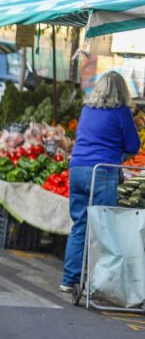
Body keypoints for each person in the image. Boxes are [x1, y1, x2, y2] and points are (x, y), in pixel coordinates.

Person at [61, 71, 140, 293]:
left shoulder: (87, 109)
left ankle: (69, 280)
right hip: (102, 172)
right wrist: (117, 153)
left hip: (77, 169)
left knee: (80, 226)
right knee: (103, 228)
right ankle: (99, 282)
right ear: (122, 91)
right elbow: (133, 146)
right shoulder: (121, 112)